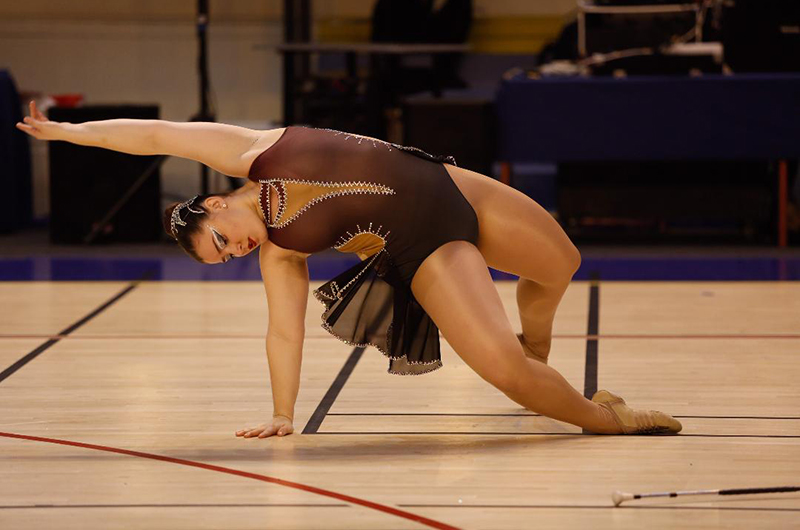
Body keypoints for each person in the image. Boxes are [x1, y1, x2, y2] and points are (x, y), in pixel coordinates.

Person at [17, 101, 682, 439]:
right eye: (222, 258)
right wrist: (283, 412)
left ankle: (538, 343)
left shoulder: (254, 152)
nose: (233, 250)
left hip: (454, 189)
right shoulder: (282, 253)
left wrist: (71, 132)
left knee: (562, 262)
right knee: (504, 372)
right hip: (427, 251)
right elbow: (284, 333)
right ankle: (608, 419)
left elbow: (157, 134)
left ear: (215, 201)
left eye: (221, 237)